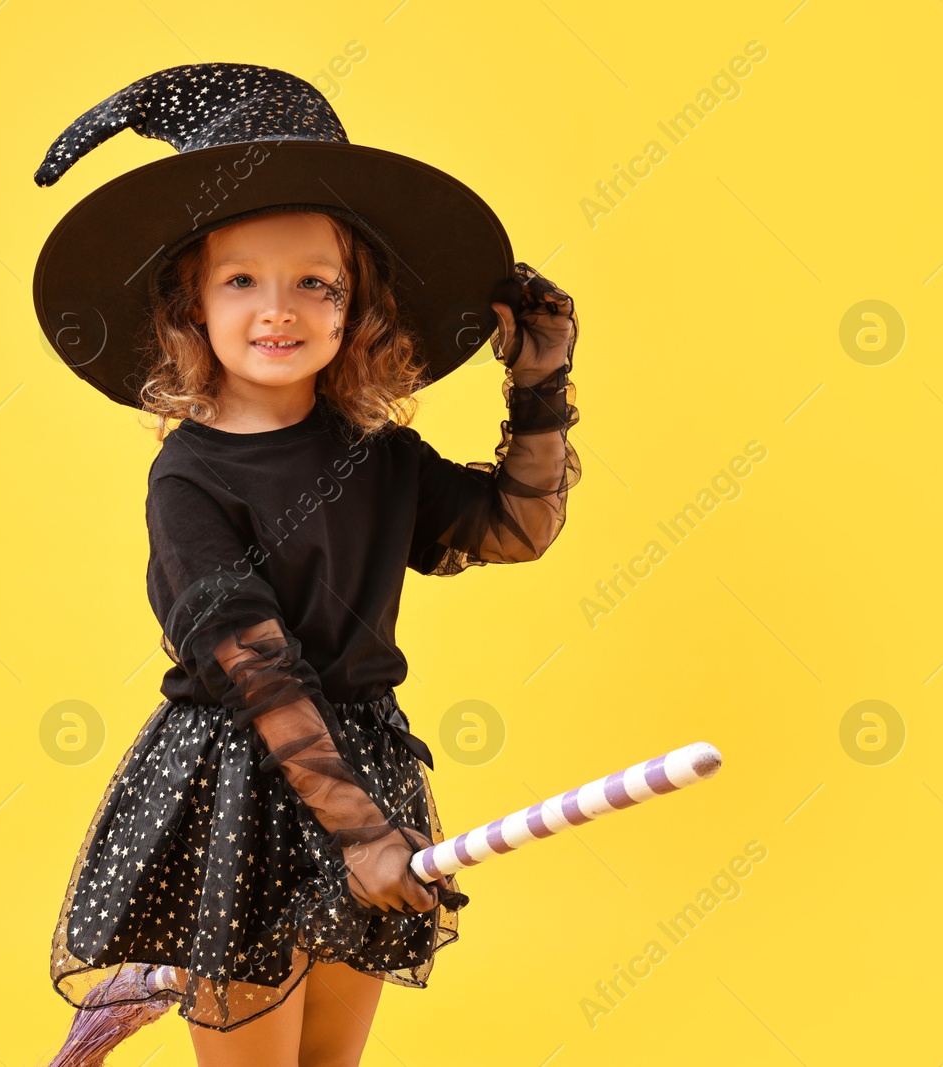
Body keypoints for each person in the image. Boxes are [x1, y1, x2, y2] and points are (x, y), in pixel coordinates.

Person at [34, 64, 581, 1067]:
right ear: (192, 302)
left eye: (313, 282)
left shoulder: (376, 458)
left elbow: (516, 526)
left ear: (352, 306)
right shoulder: (189, 481)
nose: (276, 309)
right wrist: (359, 831)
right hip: (242, 776)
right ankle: (161, 973)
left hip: (364, 761)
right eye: (240, 277)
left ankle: (153, 981)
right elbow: (253, 661)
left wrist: (538, 384)